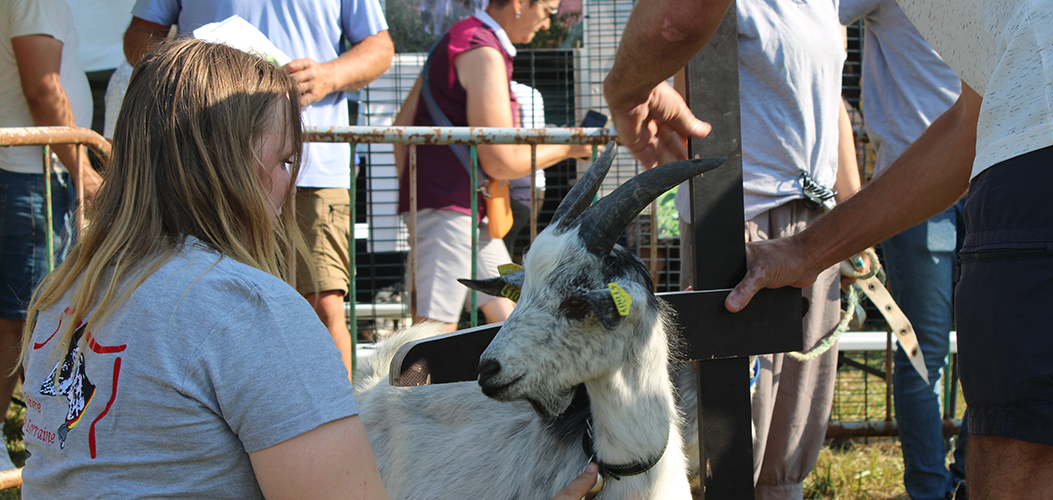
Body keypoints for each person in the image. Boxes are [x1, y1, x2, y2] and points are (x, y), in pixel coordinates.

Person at [18, 39, 604, 500]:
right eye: (285, 158)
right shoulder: (246, 310)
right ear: (233, 167)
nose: (290, 181)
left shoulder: (63, 294)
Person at [711, 1, 1053, 498]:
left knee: (1032, 452)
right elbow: (968, 125)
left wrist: (626, 92)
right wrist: (807, 252)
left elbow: (679, 19)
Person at [123, 0, 396, 380]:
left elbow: (380, 48)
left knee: (321, 304)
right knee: (211, 299)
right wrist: (194, 77)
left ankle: (340, 421)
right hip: (209, 164)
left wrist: (329, 75)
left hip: (316, 168)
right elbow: (138, 35)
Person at [664, 0, 860, 496]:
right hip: (737, 218)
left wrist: (855, 224)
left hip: (818, 219)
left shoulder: (826, 4)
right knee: (731, 417)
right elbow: (690, 104)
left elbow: (831, 102)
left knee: (798, 407)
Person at [393, 0, 591, 333]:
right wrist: (570, 147)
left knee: (514, 320)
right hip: (452, 209)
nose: (548, 24)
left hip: (457, 209)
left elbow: (402, 128)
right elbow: (500, 161)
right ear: (517, 4)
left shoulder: (462, 38)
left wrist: (420, 199)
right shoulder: (482, 50)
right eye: (548, 10)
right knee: (431, 338)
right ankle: (416, 388)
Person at [836, 1, 964, 498]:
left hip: (994, 176)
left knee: (996, 352)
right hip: (916, 188)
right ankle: (930, 492)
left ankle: (971, 480)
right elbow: (810, 22)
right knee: (923, 356)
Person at [0, 0, 103, 472]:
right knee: (21, 323)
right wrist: (83, 170)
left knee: (31, 321)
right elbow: (43, 90)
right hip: (30, 176)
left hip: (38, 174)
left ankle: (44, 441)